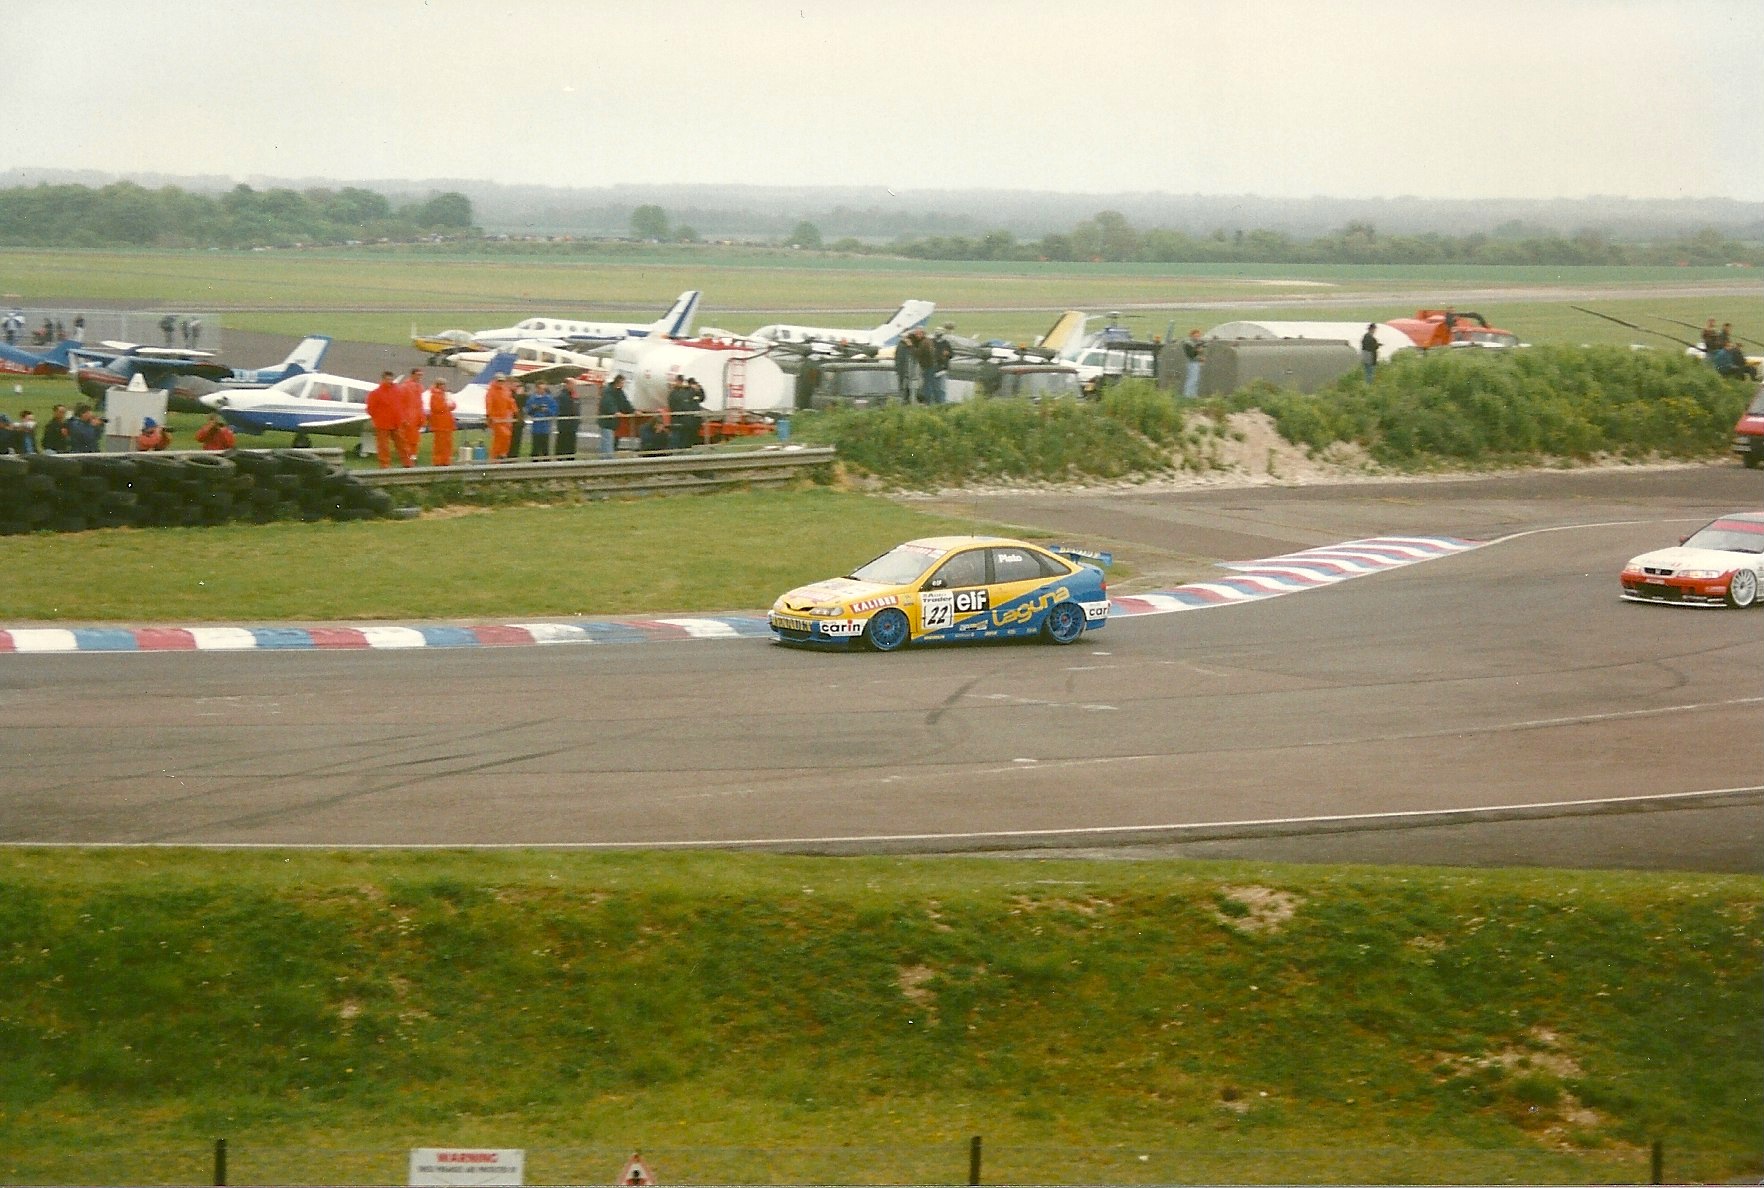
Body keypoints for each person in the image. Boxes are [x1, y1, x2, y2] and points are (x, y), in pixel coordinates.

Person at [365, 370, 407, 468]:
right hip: (382, 423)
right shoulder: (375, 393)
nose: (390, 381)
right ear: (383, 379)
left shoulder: (397, 391)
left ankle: (407, 463)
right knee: (383, 446)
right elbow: (370, 408)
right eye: (387, 379)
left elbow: (401, 405)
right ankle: (385, 465)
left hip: (396, 422)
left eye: (391, 379)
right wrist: (378, 418)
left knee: (402, 444)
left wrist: (402, 418)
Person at [597, 375, 633, 458]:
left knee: (610, 440)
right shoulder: (608, 391)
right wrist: (615, 412)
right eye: (623, 382)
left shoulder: (619, 391)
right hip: (607, 421)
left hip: (613, 422)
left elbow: (625, 403)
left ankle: (607, 458)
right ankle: (606, 460)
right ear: (618, 382)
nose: (624, 385)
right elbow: (608, 403)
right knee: (607, 440)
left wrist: (633, 410)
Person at [396, 368, 425, 467]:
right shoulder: (405, 387)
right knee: (407, 440)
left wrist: (421, 417)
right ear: (412, 375)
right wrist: (403, 418)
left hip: (416, 417)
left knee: (415, 439)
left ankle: (413, 457)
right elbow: (400, 403)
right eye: (417, 375)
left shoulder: (419, 387)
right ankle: (407, 458)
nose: (419, 377)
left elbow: (420, 404)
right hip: (408, 417)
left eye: (421, 375)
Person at [485, 374, 518, 462]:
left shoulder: (506, 391)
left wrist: (516, 412)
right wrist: (489, 415)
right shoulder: (491, 392)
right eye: (499, 381)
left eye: (502, 381)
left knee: (504, 438)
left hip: (504, 419)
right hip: (495, 419)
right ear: (495, 381)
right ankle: (495, 457)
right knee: (502, 436)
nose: (500, 382)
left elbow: (511, 402)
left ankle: (501, 455)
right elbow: (489, 404)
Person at [427, 380, 457, 466]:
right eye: (442, 384)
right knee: (440, 444)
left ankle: (446, 461)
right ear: (438, 385)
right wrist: (448, 406)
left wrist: (449, 406)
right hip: (440, 424)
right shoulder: (435, 395)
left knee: (447, 444)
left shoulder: (444, 395)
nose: (444, 386)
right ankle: (438, 462)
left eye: (444, 384)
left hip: (447, 424)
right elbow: (437, 408)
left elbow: (453, 405)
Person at [526, 382, 557, 459]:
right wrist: (533, 409)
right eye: (540, 388)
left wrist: (546, 410)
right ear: (536, 388)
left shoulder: (549, 399)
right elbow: (528, 411)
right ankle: (534, 463)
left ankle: (546, 465)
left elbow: (554, 412)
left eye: (544, 388)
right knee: (535, 449)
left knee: (545, 449)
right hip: (536, 428)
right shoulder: (532, 399)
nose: (542, 390)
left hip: (545, 428)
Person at [554, 380, 580, 459]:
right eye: (572, 385)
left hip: (573, 425)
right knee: (562, 442)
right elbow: (560, 409)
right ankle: (560, 458)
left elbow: (577, 408)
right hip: (564, 424)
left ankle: (571, 458)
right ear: (567, 385)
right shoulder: (561, 396)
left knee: (571, 443)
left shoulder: (575, 396)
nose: (574, 387)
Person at [1182, 329, 1206, 397]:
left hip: (1197, 363)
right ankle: (1187, 395)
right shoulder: (1188, 344)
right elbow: (1191, 355)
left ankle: (1193, 395)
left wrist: (1201, 358)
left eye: (1198, 336)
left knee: (1196, 380)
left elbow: (1202, 352)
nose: (1197, 337)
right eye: (1195, 336)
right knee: (1192, 379)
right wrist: (1197, 351)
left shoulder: (1198, 343)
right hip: (1192, 363)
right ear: (1191, 336)